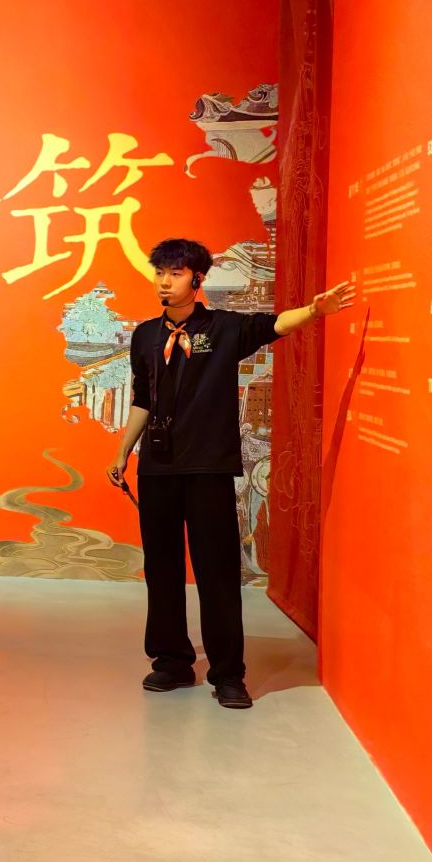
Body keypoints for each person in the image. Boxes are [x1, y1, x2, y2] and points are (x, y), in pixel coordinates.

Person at [107, 239, 354, 709]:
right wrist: (122, 453)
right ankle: (171, 661)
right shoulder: (145, 336)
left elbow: (274, 325)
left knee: (217, 570)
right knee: (161, 568)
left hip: (209, 467)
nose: (164, 282)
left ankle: (227, 673)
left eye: (176, 273)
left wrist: (314, 311)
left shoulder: (223, 328)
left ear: (197, 280)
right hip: (157, 467)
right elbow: (142, 398)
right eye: (160, 272)